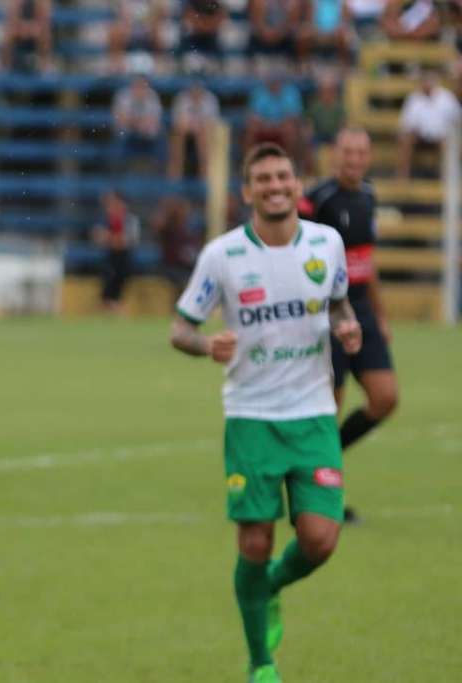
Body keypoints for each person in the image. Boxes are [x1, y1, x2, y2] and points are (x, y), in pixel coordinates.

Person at [169, 143, 362, 683]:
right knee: (254, 540)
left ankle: (269, 586)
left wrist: (346, 325)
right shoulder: (222, 255)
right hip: (251, 416)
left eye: (283, 177)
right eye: (263, 180)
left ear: (297, 185)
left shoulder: (328, 243)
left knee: (321, 539)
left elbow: (341, 301)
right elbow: (180, 328)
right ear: (247, 192)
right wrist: (207, 346)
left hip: (314, 413)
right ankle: (262, 663)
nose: (275, 186)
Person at [299, 127, 398, 523]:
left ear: (368, 157)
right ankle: (323, 495)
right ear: (334, 155)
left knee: (385, 398)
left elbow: (365, 262)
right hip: (327, 311)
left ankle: (320, 463)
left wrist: (381, 314)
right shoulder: (317, 200)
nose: (354, 159)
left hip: (362, 309)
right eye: (347, 152)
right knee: (332, 406)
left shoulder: (370, 196)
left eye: (361, 153)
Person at [397, 68, 462, 179]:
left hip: (441, 138)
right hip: (419, 137)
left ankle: (447, 178)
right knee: (405, 139)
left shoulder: (446, 97)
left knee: (449, 143)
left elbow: (458, 118)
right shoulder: (413, 99)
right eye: (425, 80)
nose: (427, 83)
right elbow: (406, 124)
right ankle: (402, 177)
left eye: (430, 80)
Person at [246, 70, 304, 165]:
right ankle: (250, 163)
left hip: (282, 127)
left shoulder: (290, 92)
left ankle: (289, 163)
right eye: (272, 80)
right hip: (264, 126)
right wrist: (267, 125)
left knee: (290, 129)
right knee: (251, 129)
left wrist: (279, 125)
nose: (274, 83)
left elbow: (293, 116)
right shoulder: (259, 92)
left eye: (277, 80)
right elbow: (254, 116)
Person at [92, 190, 136, 311]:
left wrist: (109, 238)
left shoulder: (130, 220)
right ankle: (110, 306)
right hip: (109, 257)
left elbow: (126, 241)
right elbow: (97, 237)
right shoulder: (104, 220)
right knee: (107, 278)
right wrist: (115, 239)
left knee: (119, 276)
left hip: (123, 259)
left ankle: (113, 305)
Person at [168, 78, 221, 179]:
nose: (196, 91)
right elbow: (177, 123)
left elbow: (213, 125)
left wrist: (199, 128)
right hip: (185, 133)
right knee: (178, 135)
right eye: (193, 88)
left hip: (204, 135)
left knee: (203, 136)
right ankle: (174, 182)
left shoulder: (210, 99)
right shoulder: (182, 98)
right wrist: (191, 126)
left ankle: (204, 180)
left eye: (198, 88)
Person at [112, 75, 165, 170]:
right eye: (137, 85)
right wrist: (138, 123)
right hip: (127, 131)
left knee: (160, 136)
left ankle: (160, 174)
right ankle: (116, 177)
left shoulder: (152, 96)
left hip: (146, 132)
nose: (139, 89)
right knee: (119, 137)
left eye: (142, 86)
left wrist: (137, 122)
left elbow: (155, 121)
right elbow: (120, 119)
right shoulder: (123, 95)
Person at [1, 0, 53, 73]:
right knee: (8, 33)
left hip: (36, 28)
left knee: (45, 34)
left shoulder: (42, 2)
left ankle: (44, 65)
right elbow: (12, 18)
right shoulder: (15, 2)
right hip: (19, 28)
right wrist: (22, 28)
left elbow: (44, 20)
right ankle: (5, 66)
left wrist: (32, 28)